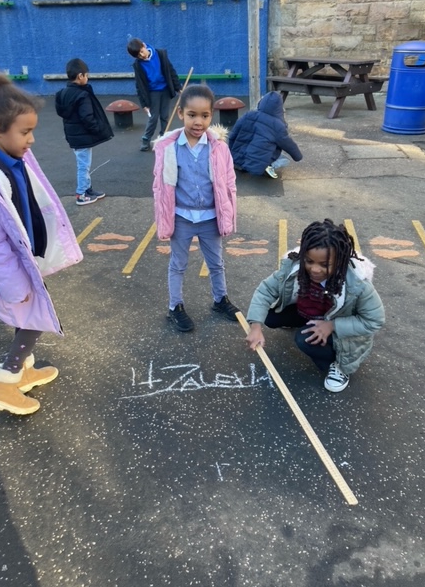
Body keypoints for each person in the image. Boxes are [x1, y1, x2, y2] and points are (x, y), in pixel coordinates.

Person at [0, 71, 83, 415]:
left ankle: (23, 371)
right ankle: (3, 386)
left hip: (23, 259)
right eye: (25, 132)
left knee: (30, 318)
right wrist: (14, 286)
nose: (32, 139)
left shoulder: (10, 157)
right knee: (33, 320)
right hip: (9, 271)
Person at [245, 219, 385, 392]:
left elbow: (374, 320)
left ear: (339, 262)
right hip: (310, 313)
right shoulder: (294, 266)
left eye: (324, 265)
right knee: (267, 316)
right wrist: (255, 326)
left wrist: (332, 325)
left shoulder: (358, 284)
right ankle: (305, 324)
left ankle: (339, 366)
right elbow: (265, 291)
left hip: (340, 328)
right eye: (309, 261)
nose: (315, 269)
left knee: (303, 340)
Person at [153, 84, 240, 332]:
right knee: (178, 264)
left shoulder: (219, 148)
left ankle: (220, 299)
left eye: (205, 115)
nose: (198, 122)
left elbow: (229, 182)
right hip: (181, 216)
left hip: (211, 217)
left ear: (211, 116)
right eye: (192, 115)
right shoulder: (168, 148)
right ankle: (175, 307)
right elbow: (160, 185)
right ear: (181, 113)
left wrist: (228, 213)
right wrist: (163, 217)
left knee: (216, 263)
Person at [55, 58, 113, 205]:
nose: (87, 78)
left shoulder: (63, 93)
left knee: (84, 164)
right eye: (86, 75)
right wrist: (97, 129)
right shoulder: (82, 94)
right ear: (80, 76)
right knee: (83, 166)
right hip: (82, 137)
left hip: (73, 136)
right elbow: (87, 117)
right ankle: (81, 194)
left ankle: (87, 189)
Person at [228, 90, 302, 179]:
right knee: (285, 159)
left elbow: (233, 135)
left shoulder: (248, 115)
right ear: (279, 108)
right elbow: (288, 144)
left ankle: (241, 165)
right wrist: (298, 157)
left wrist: (230, 154)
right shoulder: (278, 126)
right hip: (256, 165)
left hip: (236, 159)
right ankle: (269, 166)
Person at [127, 38, 181, 152]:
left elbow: (171, 71)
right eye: (138, 56)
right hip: (152, 92)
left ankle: (164, 138)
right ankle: (146, 139)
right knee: (153, 117)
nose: (142, 56)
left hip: (165, 89)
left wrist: (178, 87)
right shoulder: (138, 65)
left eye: (142, 52)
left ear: (144, 45)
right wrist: (144, 104)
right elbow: (139, 86)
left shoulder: (160, 54)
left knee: (165, 116)